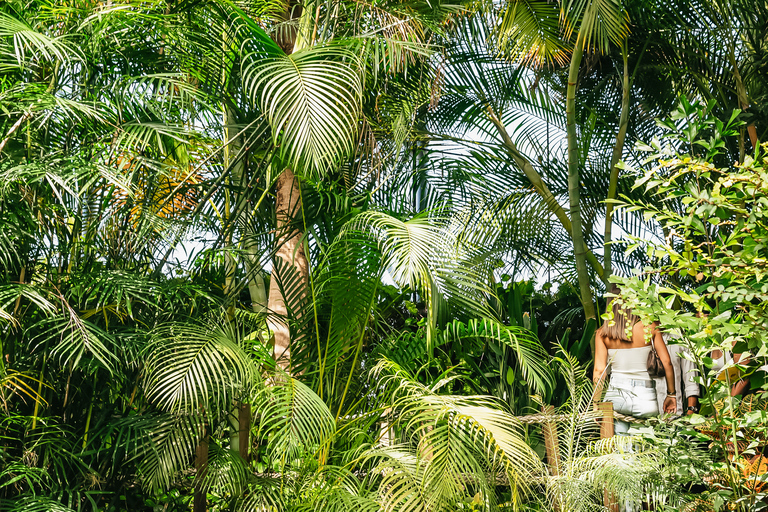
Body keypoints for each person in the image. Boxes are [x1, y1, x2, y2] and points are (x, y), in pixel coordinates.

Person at [593, 287, 677, 434]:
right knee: (645, 451)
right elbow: (667, 362)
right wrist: (671, 394)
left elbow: (599, 371)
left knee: (619, 450)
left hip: (615, 397)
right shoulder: (650, 327)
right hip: (645, 396)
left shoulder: (603, 333)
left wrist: (595, 404)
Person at [653, 333, 700, 415]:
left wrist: (691, 410)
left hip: (673, 413)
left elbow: (691, 379)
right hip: (646, 413)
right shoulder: (640, 340)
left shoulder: (680, 340)